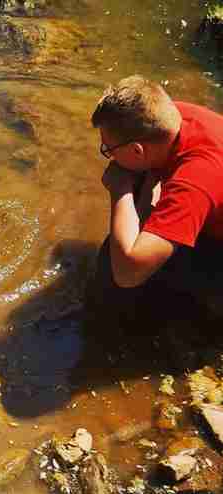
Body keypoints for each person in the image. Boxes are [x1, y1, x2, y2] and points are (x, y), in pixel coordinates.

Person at [88, 75, 223, 325]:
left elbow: (128, 273)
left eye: (108, 149)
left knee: (113, 262)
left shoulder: (194, 182)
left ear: (137, 149)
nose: (109, 158)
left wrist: (120, 191)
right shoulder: (171, 118)